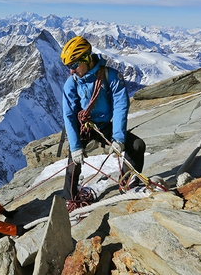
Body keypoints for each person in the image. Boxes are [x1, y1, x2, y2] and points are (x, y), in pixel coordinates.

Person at [60, 35, 146, 202]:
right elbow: (69, 115)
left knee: (137, 146)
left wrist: (119, 139)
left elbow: (121, 107)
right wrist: (75, 146)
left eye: (74, 65)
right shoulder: (72, 83)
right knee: (73, 164)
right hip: (84, 128)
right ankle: (71, 200)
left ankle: (128, 183)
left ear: (86, 58)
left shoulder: (111, 77)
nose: (71, 70)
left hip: (105, 126)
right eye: (69, 66)